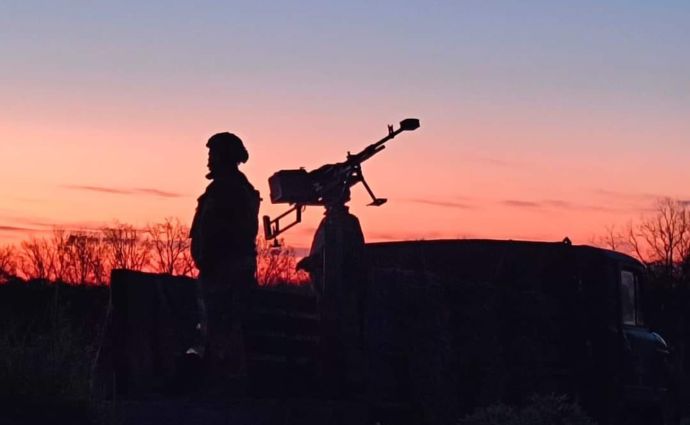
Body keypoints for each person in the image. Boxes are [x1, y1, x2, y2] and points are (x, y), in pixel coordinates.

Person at [189, 132, 260, 384]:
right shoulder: (228, 188)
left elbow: (226, 232)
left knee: (225, 329)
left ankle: (226, 382)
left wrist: (213, 259)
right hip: (219, 271)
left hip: (225, 272)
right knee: (216, 329)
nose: (209, 159)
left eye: (213, 154)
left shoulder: (230, 189)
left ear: (224, 156)